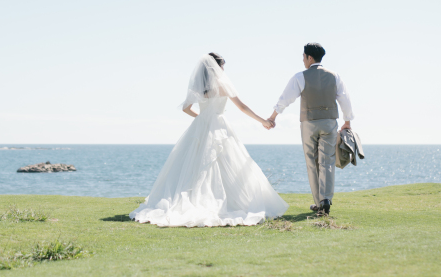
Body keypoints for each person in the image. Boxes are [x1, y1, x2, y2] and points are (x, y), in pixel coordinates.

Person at [131, 53, 288, 227]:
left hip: (201, 126)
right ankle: (222, 201)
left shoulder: (199, 87)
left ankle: (196, 199)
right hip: (219, 125)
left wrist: (202, 117)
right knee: (226, 161)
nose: (223, 70)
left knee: (197, 165)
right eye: (222, 67)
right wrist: (264, 121)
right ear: (217, 68)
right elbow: (242, 107)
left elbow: (185, 108)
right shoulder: (223, 85)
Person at [267, 43, 354, 216]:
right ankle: (326, 199)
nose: (303, 60)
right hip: (329, 122)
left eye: (303, 57)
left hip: (308, 123)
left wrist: (273, 117)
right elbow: (345, 99)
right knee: (327, 161)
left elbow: (285, 99)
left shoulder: (300, 77)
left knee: (312, 162)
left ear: (310, 57)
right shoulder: (335, 76)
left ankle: (318, 202)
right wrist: (347, 121)